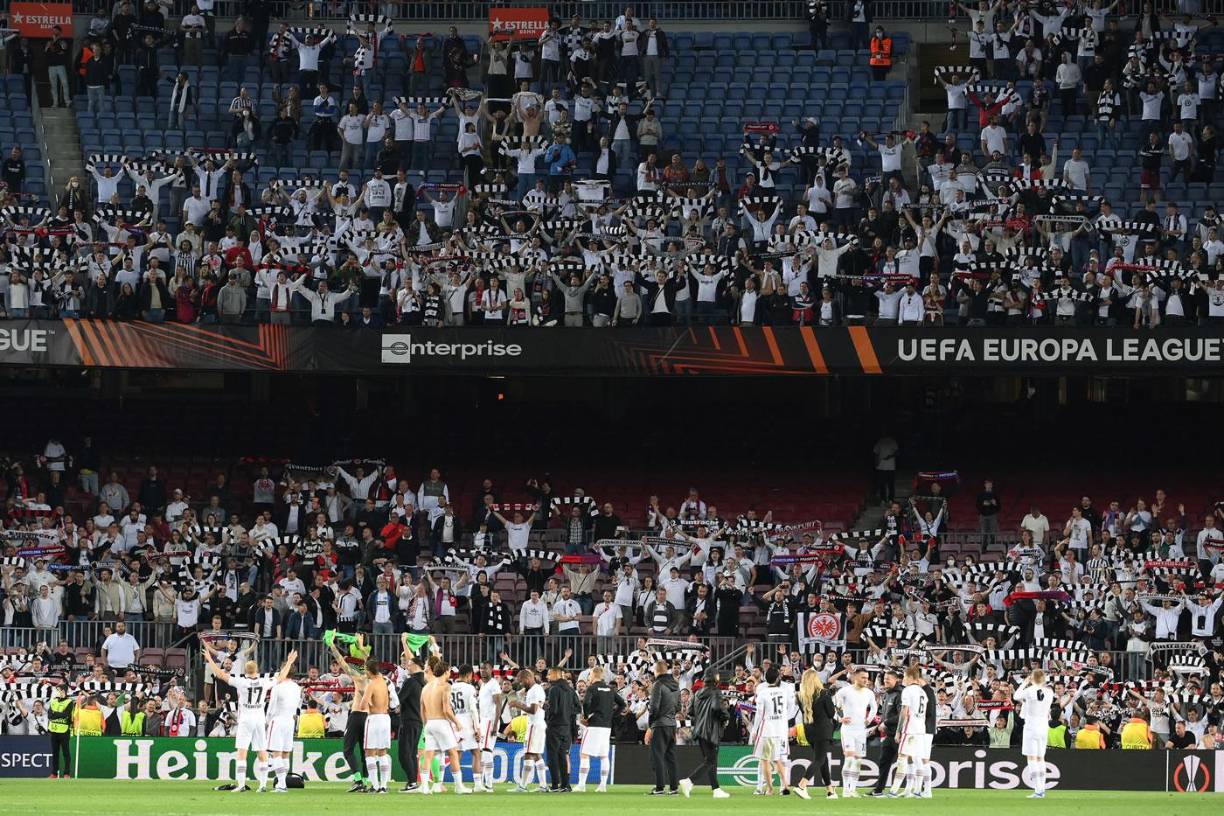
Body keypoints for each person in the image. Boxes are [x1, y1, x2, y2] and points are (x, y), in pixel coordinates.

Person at [202, 645, 289, 792]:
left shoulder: (241, 681)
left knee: (242, 752)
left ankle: (241, 785)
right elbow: (281, 677)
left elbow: (220, 674)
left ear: (245, 671)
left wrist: (210, 659)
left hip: (245, 719)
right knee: (261, 751)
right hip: (259, 719)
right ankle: (262, 785)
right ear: (257, 670)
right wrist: (289, 662)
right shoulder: (264, 682)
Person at [420, 657, 470, 794]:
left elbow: (422, 709)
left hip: (429, 724)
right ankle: (459, 787)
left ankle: (425, 787)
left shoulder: (426, 687)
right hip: (441, 723)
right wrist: (457, 722)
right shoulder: (446, 686)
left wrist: (425, 725)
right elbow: (446, 709)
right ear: (446, 671)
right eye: (449, 671)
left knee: (428, 755)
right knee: (453, 753)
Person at [678, 667, 730, 799]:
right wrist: (726, 716)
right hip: (711, 731)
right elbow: (717, 708)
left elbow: (690, 712)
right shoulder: (716, 692)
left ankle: (716, 789)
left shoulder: (697, 693)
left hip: (699, 731)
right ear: (716, 679)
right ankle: (689, 781)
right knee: (711, 761)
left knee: (710, 760)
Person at [327, 637, 370, 792]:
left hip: (357, 715)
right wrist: (361, 647)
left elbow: (341, 661)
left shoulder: (358, 677)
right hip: (368, 717)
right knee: (365, 752)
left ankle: (358, 780)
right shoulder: (373, 677)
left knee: (348, 749)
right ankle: (365, 781)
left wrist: (332, 645)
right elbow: (366, 660)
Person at [577, 664, 624, 792]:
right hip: (606, 727)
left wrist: (586, 716)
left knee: (584, 754)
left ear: (593, 675)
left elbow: (586, 702)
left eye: (589, 675)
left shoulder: (592, 688)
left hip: (594, 725)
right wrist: (612, 716)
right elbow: (622, 704)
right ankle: (603, 785)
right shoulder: (610, 689)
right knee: (604, 756)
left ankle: (581, 785)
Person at [886, 665, 930, 797]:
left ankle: (893, 790)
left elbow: (904, 712)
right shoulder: (923, 692)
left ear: (911, 677)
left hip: (910, 729)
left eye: (905, 676)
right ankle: (917, 790)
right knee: (916, 758)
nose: (903, 679)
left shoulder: (908, 691)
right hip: (921, 730)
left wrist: (898, 730)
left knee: (902, 757)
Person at [832, 667, 877, 798]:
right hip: (848, 730)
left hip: (861, 730)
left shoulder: (869, 693)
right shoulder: (845, 691)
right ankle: (846, 790)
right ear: (855, 677)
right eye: (863, 677)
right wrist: (839, 718)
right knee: (850, 758)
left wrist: (868, 720)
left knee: (858, 761)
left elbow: (874, 707)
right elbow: (832, 706)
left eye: (867, 678)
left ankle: (853, 789)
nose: (866, 680)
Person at [750, 666, 793, 796]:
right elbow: (791, 708)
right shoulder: (784, 691)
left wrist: (754, 730)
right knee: (779, 759)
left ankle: (768, 789)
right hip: (781, 730)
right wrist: (783, 719)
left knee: (764, 760)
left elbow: (759, 714)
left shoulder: (762, 692)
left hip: (767, 730)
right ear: (778, 678)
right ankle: (785, 786)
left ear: (765, 678)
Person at [1013, 669, 1054, 799]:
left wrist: (1025, 682)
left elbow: (1016, 696)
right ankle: (1042, 789)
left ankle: (1038, 790)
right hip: (1044, 727)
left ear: (1032, 678)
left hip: (1031, 727)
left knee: (1031, 758)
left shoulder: (1029, 690)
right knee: (1041, 758)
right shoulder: (1050, 692)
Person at [795, 669, 836, 800]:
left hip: (809, 731)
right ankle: (802, 785)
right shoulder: (824, 693)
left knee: (822, 759)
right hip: (823, 730)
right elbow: (831, 713)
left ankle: (830, 791)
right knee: (819, 759)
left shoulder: (800, 696)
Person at [264, 649, 301, 793]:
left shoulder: (277, 687)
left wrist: (267, 722)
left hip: (278, 720)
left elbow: (271, 708)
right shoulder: (297, 687)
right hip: (290, 721)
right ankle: (283, 782)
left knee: (276, 754)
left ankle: (281, 784)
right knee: (285, 754)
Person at [508, 667, 547, 792]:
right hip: (539, 723)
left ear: (528, 678)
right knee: (536, 754)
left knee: (529, 753)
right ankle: (543, 785)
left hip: (534, 724)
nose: (521, 684)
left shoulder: (534, 691)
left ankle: (523, 786)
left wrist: (519, 704)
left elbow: (533, 710)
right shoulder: (537, 689)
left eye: (522, 681)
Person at [646, 659, 680, 795]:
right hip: (672, 725)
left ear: (656, 671)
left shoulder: (658, 684)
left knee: (657, 756)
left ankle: (660, 787)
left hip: (659, 725)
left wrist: (650, 725)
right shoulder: (676, 685)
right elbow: (678, 707)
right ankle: (674, 787)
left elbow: (654, 707)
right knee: (671, 757)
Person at [452, 664, 488, 792]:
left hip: (455, 721)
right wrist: (477, 728)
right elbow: (473, 709)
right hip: (467, 722)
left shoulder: (451, 687)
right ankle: (476, 785)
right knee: (476, 752)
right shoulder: (470, 688)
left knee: (457, 753)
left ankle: (458, 784)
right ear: (469, 674)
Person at [397, 637, 426, 792]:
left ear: (415, 666)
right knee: (413, 753)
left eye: (409, 664)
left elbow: (399, 699)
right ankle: (413, 782)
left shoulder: (410, 682)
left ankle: (412, 781)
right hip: (418, 721)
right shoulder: (424, 681)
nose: (407, 666)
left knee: (403, 754)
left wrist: (394, 705)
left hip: (408, 721)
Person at [544, 666, 579, 792]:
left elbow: (553, 710)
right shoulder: (570, 690)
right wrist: (567, 713)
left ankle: (554, 785)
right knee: (563, 756)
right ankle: (564, 785)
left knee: (552, 757)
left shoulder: (553, 689)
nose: (547, 677)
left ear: (555, 674)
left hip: (554, 726)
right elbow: (578, 708)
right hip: (567, 728)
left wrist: (545, 707)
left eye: (549, 674)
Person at [475, 662, 506, 792]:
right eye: (481, 668)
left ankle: (489, 784)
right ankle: (482, 783)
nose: (483, 670)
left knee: (487, 750)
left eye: (485, 668)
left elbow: (498, 704)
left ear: (491, 669)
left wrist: (495, 724)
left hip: (490, 720)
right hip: (483, 721)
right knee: (483, 751)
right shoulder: (483, 685)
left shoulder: (493, 684)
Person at [871, 669, 902, 796]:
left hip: (899, 735)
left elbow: (902, 716)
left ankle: (918, 788)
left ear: (896, 680)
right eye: (884, 679)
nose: (885, 681)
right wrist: (877, 727)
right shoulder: (886, 694)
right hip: (889, 735)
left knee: (907, 763)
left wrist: (886, 723)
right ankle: (878, 790)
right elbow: (884, 717)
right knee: (883, 761)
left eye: (888, 679)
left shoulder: (900, 694)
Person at [47, 683, 75, 778]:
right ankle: (54, 773)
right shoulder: (54, 700)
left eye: (58, 690)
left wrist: (55, 713)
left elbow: (65, 715)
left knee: (66, 753)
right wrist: (58, 714)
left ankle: (67, 773)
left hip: (64, 730)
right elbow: (49, 715)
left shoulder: (69, 702)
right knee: (55, 753)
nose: (56, 692)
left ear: (63, 691)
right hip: (53, 730)